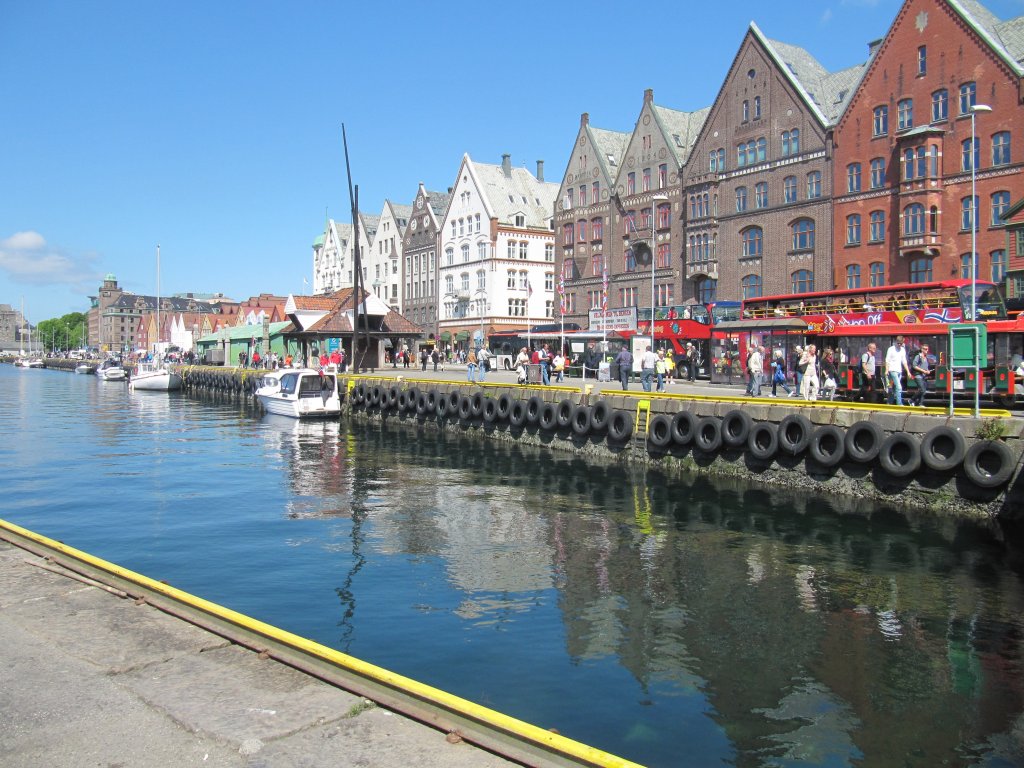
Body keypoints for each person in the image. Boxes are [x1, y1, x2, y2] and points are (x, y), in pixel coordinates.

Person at [885, 335, 912, 406]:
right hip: (892, 370)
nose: (899, 345)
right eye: (898, 343)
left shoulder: (902, 350)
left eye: (901, 343)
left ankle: (889, 402)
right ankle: (899, 404)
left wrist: (908, 371)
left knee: (894, 388)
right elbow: (887, 360)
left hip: (899, 371)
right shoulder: (891, 349)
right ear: (896, 342)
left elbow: (904, 361)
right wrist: (887, 370)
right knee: (899, 387)